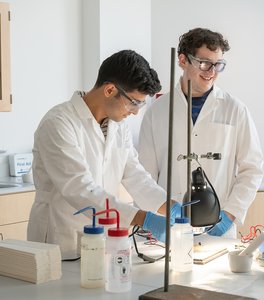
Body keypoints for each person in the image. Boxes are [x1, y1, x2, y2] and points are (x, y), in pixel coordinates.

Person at [27, 50, 180, 259]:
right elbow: (79, 187)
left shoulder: (118, 126)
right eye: (134, 102)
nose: (136, 112)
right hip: (60, 240)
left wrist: (170, 207)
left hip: (101, 239)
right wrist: (141, 218)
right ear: (109, 90)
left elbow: (134, 173)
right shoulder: (59, 123)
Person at [138, 28, 264, 238]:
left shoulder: (235, 109)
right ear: (182, 60)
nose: (211, 71)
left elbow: (252, 169)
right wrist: (158, 213)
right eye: (204, 63)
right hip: (169, 226)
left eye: (218, 65)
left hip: (219, 225)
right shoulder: (157, 111)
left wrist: (230, 214)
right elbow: (144, 174)